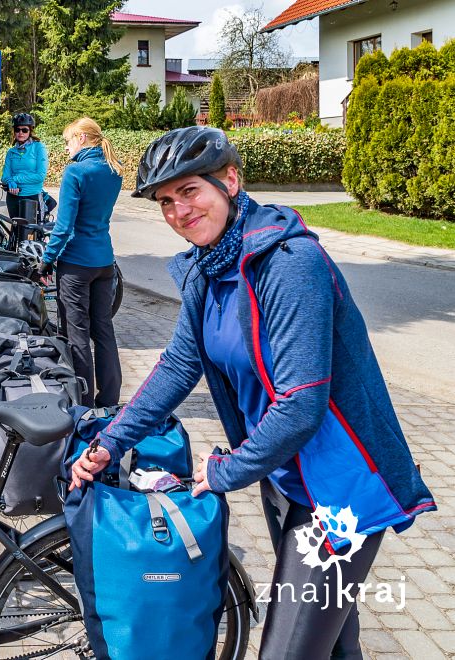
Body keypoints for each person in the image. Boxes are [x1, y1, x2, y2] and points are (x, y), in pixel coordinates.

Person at [69, 126, 436, 658]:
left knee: (287, 651)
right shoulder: (207, 266)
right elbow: (178, 365)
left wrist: (223, 471)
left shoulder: (288, 264)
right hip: (284, 475)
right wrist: (111, 440)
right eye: (166, 201)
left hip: (340, 488)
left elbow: (301, 403)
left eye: (189, 191)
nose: (178, 211)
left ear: (231, 181)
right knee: (333, 646)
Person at [37, 117, 125, 408]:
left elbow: (63, 226)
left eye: (68, 141)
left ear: (83, 138)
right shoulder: (114, 170)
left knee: (77, 334)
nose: (66, 148)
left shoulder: (76, 172)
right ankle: (110, 398)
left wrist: (46, 261)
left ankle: (83, 402)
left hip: (76, 264)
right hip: (105, 261)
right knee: (104, 331)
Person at [1, 113, 50, 223]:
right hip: (13, 197)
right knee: (16, 232)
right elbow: (5, 176)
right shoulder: (11, 152)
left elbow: (40, 176)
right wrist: (9, 181)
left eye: (24, 130)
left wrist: (15, 179)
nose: (20, 133)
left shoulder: (38, 147)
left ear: (30, 131)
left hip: (32, 197)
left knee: (32, 234)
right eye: (17, 130)